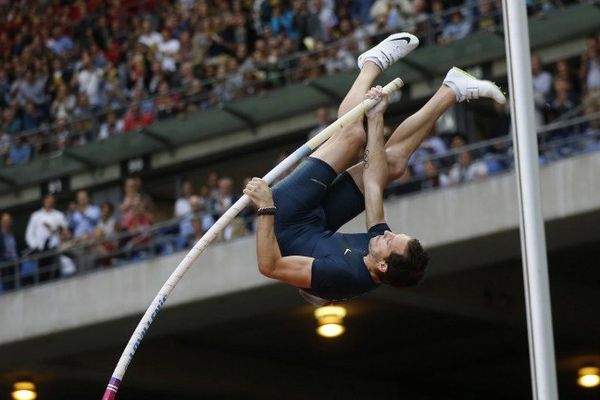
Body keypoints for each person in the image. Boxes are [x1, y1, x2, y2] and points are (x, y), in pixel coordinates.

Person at [243, 32, 506, 304]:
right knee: (392, 165)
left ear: (382, 266)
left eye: (390, 241)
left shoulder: (342, 274)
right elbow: (373, 182)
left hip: (287, 217)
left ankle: (372, 63)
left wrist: (265, 207)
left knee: (354, 135)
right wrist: (376, 117)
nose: (387, 233)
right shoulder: (381, 251)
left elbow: (270, 266)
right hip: (318, 222)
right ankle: (453, 89)